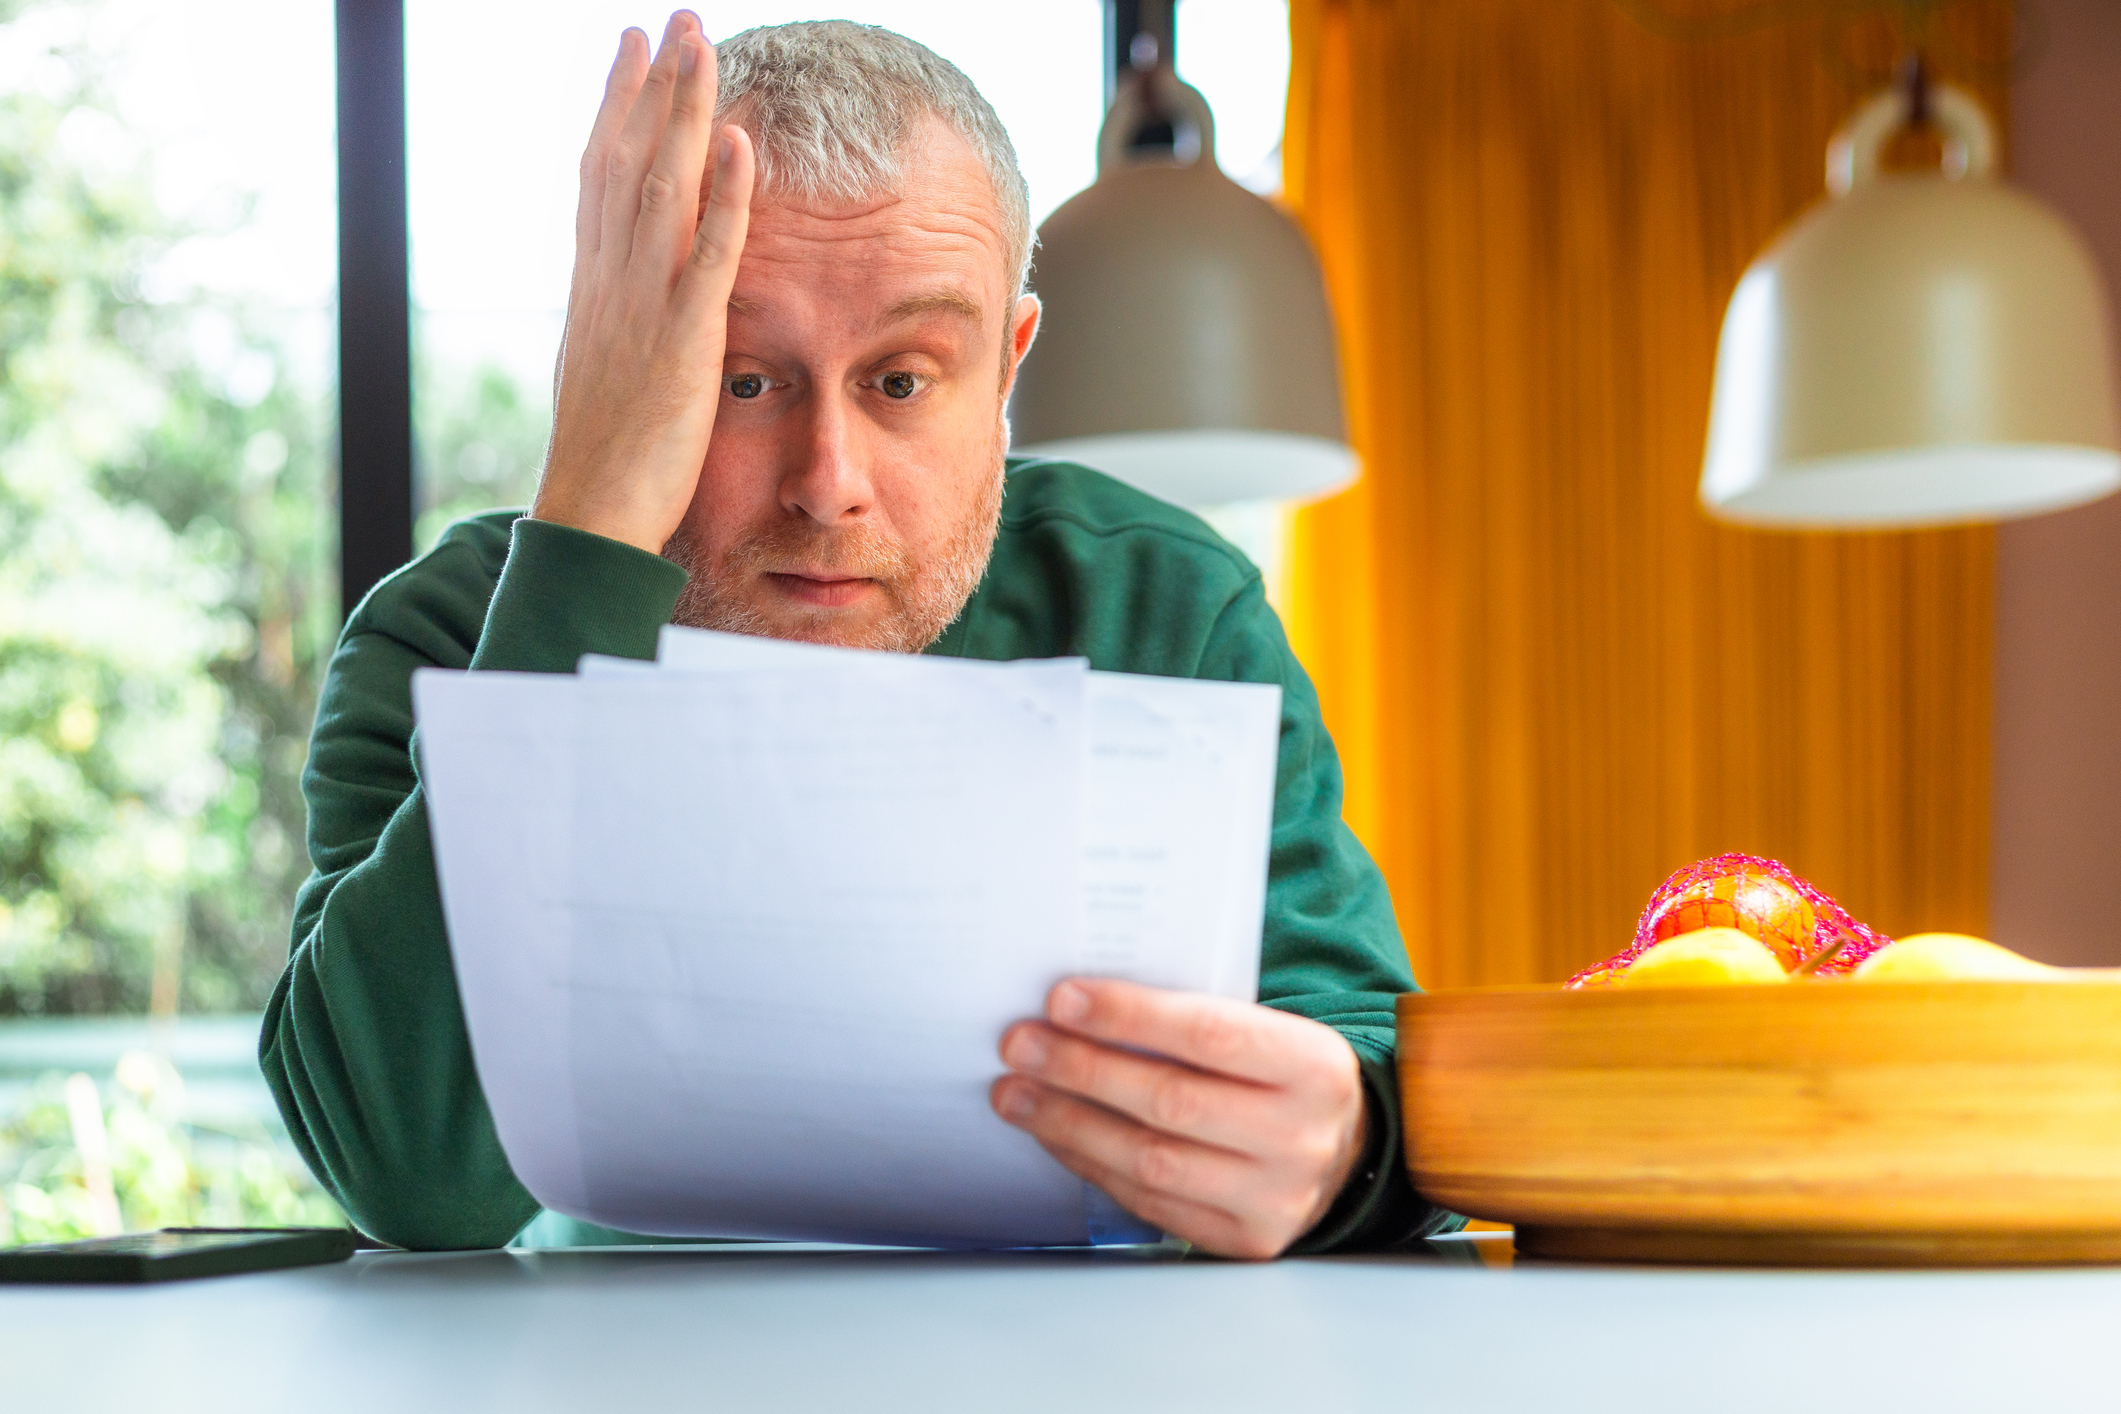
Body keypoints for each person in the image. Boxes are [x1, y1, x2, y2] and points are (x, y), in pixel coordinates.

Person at [264, 14, 1454, 1259]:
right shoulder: (460, 637)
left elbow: (1375, 1057)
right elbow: (410, 1178)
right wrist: (590, 535)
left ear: (1006, 374)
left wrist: (1347, 1145)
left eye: (901, 381)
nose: (826, 483)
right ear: (628, 362)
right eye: (740, 378)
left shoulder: (1165, 607)